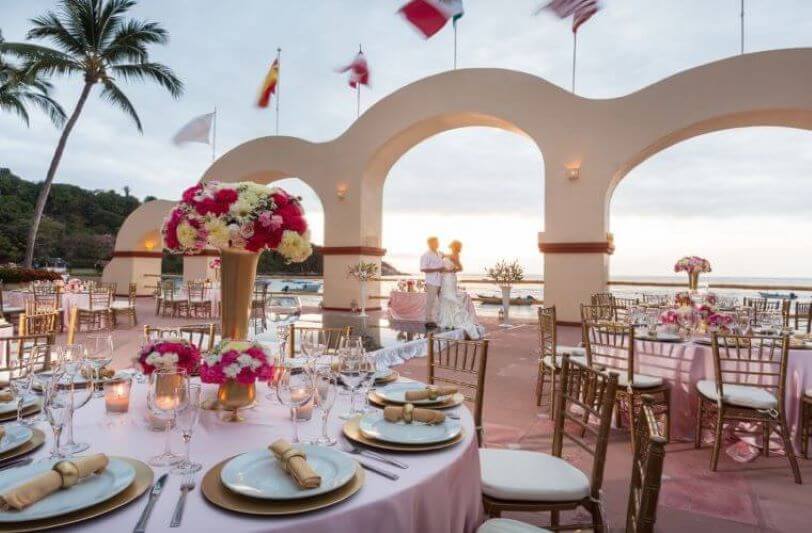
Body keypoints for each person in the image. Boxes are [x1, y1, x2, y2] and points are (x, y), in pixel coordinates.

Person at [437, 240, 481, 338]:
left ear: (454, 247)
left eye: (452, 246)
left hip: (449, 279)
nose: (451, 248)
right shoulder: (451, 255)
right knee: (445, 298)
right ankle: (449, 321)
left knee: (450, 297)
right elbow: (444, 258)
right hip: (445, 279)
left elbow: (460, 268)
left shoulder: (454, 255)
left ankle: (458, 320)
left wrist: (450, 270)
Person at [420, 236, 445, 329]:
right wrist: (438, 269)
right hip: (431, 281)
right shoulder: (426, 255)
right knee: (430, 301)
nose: (437, 244)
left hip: (440, 281)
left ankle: (436, 320)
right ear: (430, 243)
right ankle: (428, 321)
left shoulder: (439, 253)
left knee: (438, 301)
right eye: (435, 242)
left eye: (437, 242)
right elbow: (423, 269)